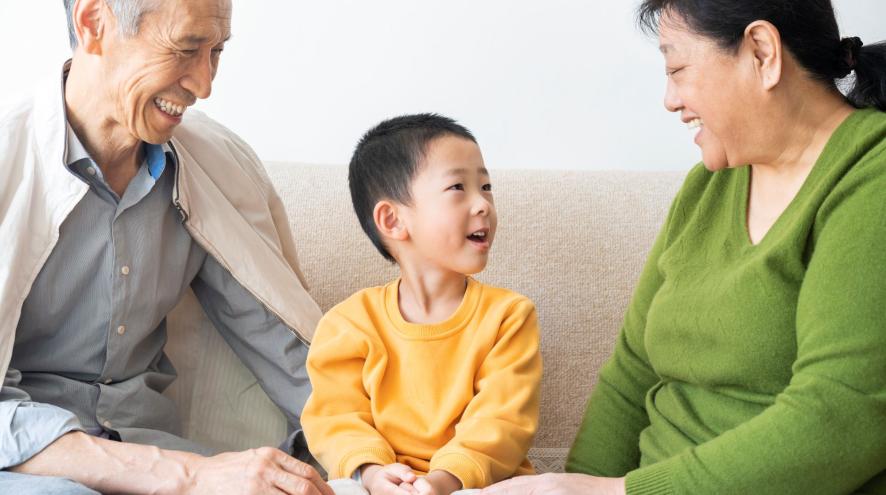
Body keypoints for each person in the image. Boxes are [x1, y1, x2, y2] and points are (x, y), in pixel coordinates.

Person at [482, 1, 886, 494]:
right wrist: (572, 484)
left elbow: (843, 416)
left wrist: (614, 493)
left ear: (762, 52)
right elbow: (632, 372)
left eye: (676, 68)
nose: (670, 100)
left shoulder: (871, 178)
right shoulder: (707, 188)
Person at [0, 1, 334, 494]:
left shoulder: (217, 166)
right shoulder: (9, 157)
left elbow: (290, 352)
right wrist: (187, 475)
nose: (205, 85)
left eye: (216, 51)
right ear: (95, 25)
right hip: (26, 466)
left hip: (158, 449)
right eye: (185, 49)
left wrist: (403, 465)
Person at [301, 114, 543, 495]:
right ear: (393, 220)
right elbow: (336, 418)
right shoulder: (348, 323)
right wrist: (373, 472)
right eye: (458, 187)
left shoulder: (508, 317)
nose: (482, 204)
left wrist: (441, 482)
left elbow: (503, 421)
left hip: (474, 482)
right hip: (378, 482)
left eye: (486, 186)